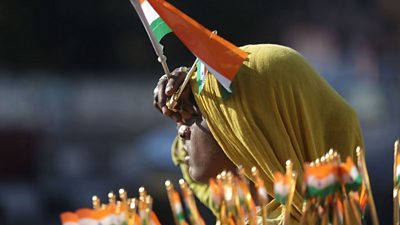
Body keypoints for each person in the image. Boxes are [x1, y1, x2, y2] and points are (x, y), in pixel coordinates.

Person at [153, 44, 364, 224]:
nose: (182, 131)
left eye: (195, 115)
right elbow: (188, 159)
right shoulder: (249, 205)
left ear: (245, 128)